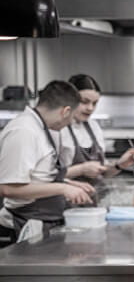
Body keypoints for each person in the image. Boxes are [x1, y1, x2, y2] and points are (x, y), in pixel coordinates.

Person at [0, 81, 94, 243]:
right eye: (72, 118)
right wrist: (62, 188)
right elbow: (8, 188)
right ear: (65, 111)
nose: (70, 123)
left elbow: (37, 175)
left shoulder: (42, 127)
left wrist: (68, 183)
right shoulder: (23, 131)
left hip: (44, 221)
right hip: (25, 225)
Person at [61, 74, 134, 182]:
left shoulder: (93, 126)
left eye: (94, 103)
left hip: (95, 192)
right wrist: (81, 170)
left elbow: (103, 174)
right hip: (66, 192)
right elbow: (47, 177)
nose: (90, 108)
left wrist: (119, 165)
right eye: (84, 102)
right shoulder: (58, 129)